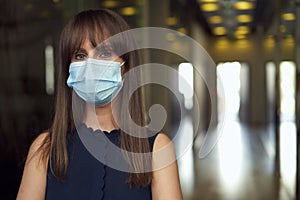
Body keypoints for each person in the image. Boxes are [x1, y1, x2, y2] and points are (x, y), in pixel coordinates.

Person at [17, 9, 182, 200]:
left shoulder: (157, 149)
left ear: (125, 66)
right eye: (80, 55)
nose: (90, 65)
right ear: (68, 69)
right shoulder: (44, 149)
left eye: (104, 53)